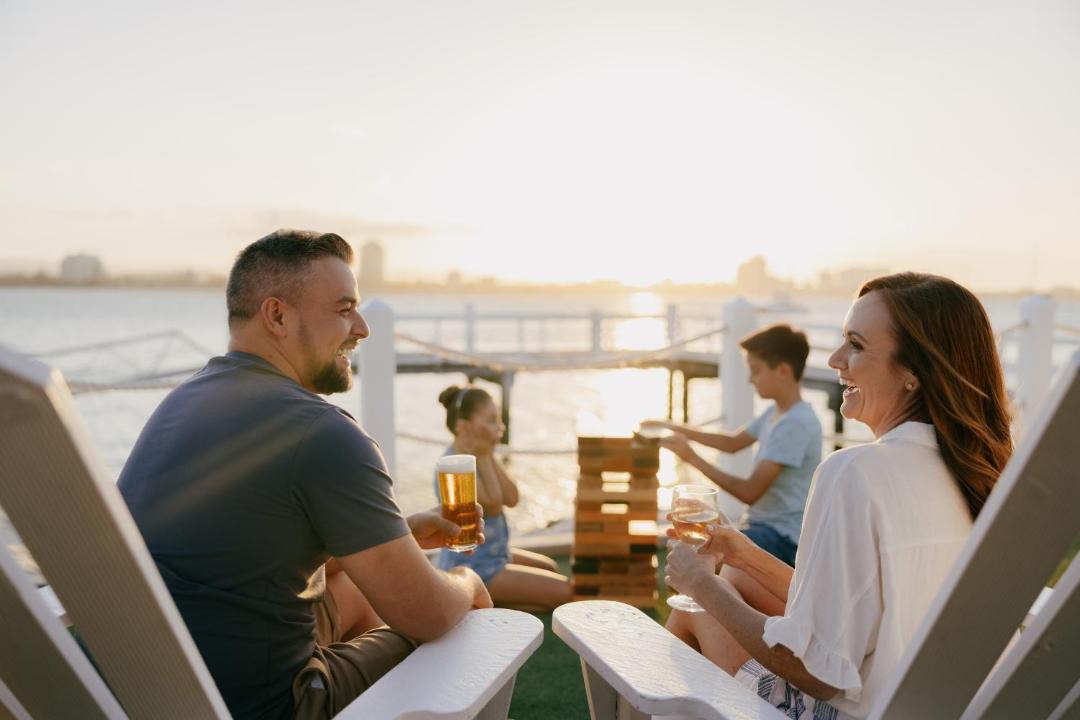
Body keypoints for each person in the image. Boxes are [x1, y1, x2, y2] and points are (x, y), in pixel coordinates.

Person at [118, 230, 492, 720]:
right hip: (268, 706)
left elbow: (244, 554)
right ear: (277, 315)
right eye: (343, 309)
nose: (362, 328)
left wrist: (396, 538)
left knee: (359, 590)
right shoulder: (322, 433)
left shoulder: (182, 404)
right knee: (467, 603)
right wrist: (465, 580)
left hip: (160, 691)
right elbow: (427, 614)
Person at [663, 273, 1013, 719]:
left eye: (856, 344)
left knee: (698, 608)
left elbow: (815, 674)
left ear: (912, 373)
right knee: (740, 578)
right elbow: (856, 607)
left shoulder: (855, 473)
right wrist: (742, 553)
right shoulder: (975, 473)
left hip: (850, 712)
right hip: (932, 703)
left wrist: (700, 583)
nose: (834, 360)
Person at [643, 324, 822, 565]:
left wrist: (691, 458)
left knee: (699, 556)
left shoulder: (795, 424)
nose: (750, 379)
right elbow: (731, 443)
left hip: (782, 539)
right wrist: (674, 426)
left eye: (756, 371)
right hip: (762, 527)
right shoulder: (776, 413)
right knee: (697, 548)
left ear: (782, 371)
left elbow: (749, 492)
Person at [434, 384, 573, 611]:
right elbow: (494, 506)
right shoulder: (455, 467)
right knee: (567, 593)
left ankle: (494, 604)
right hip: (474, 566)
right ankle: (481, 598)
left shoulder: (481, 452)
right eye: (490, 421)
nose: (500, 427)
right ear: (463, 427)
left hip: (497, 556)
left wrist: (487, 455)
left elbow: (512, 498)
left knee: (551, 568)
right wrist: (485, 456)